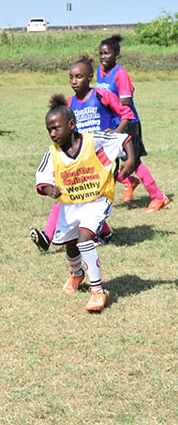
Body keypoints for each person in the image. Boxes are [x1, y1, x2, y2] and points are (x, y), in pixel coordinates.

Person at [35, 94, 134, 312]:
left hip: (97, 200)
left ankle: (97, 292)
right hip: (70, 205)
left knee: (85, 239)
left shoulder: (92, 141)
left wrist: (131, 159)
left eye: (56, 128)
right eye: (49, 129)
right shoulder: (53, 153)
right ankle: (77, 274)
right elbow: (41, 178)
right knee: (71, 246)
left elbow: (123, 139)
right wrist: (50, 189)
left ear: (71, 125)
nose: (52, 133)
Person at [30, 57, 135, 251]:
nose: (74, 81)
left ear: (89, 77)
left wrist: (117, 132)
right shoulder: (70, 104)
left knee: (84, 197)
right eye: (71, 77)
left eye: (78, 76)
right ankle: (103, 232)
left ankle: (48, 236)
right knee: (78, 196)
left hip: (102, 158)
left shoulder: (102, 95)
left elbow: (126, 113)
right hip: (80, 159)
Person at [97, 35, 169, 213]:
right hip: (111, 124)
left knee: (134, 162)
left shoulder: (120, 73)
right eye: (101, 53)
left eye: (107, 53)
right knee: (106, 160)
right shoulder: (100, 71)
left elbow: (125, 101)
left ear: (117, 54)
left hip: (127, 123)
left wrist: (107, 101)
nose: (103, 57)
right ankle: (130, 182)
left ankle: (159, 197)